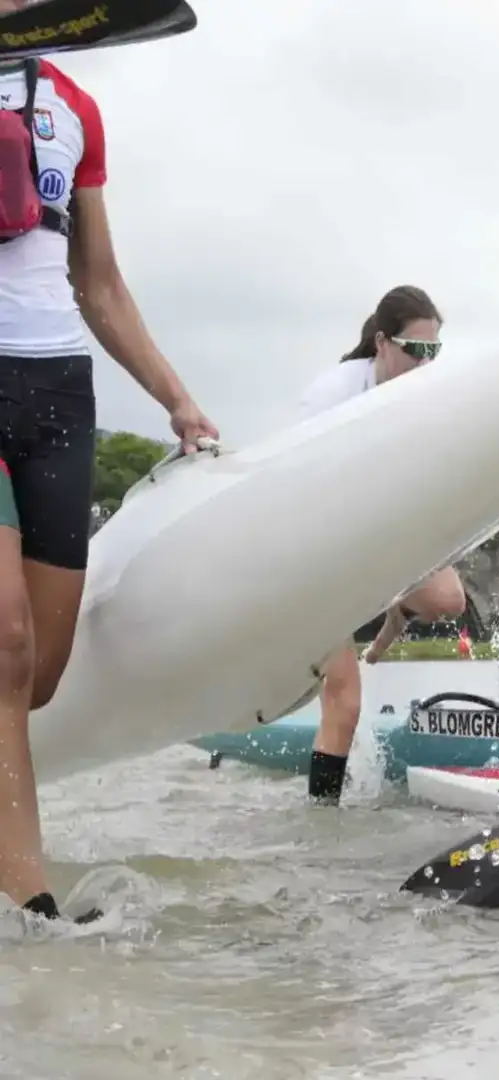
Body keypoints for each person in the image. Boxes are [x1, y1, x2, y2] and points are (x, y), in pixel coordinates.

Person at [0, 51, 219, 922]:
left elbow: (99, 282)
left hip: (54, 387)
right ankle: (31, 904)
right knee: (6, 645)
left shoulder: (76, 105)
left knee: (39, 675)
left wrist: (176, 398)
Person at [294, 285, 499, 802]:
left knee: (449, 601)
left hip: (377, 542)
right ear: (382, 343)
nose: (428, 363)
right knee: (345, 704)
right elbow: (299, 491)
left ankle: (394, 610)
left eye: (436, 352)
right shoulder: (333, 397)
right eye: (416, 351)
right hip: (314, 554)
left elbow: (475, 455)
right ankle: (320, 826)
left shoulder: (429, 392)